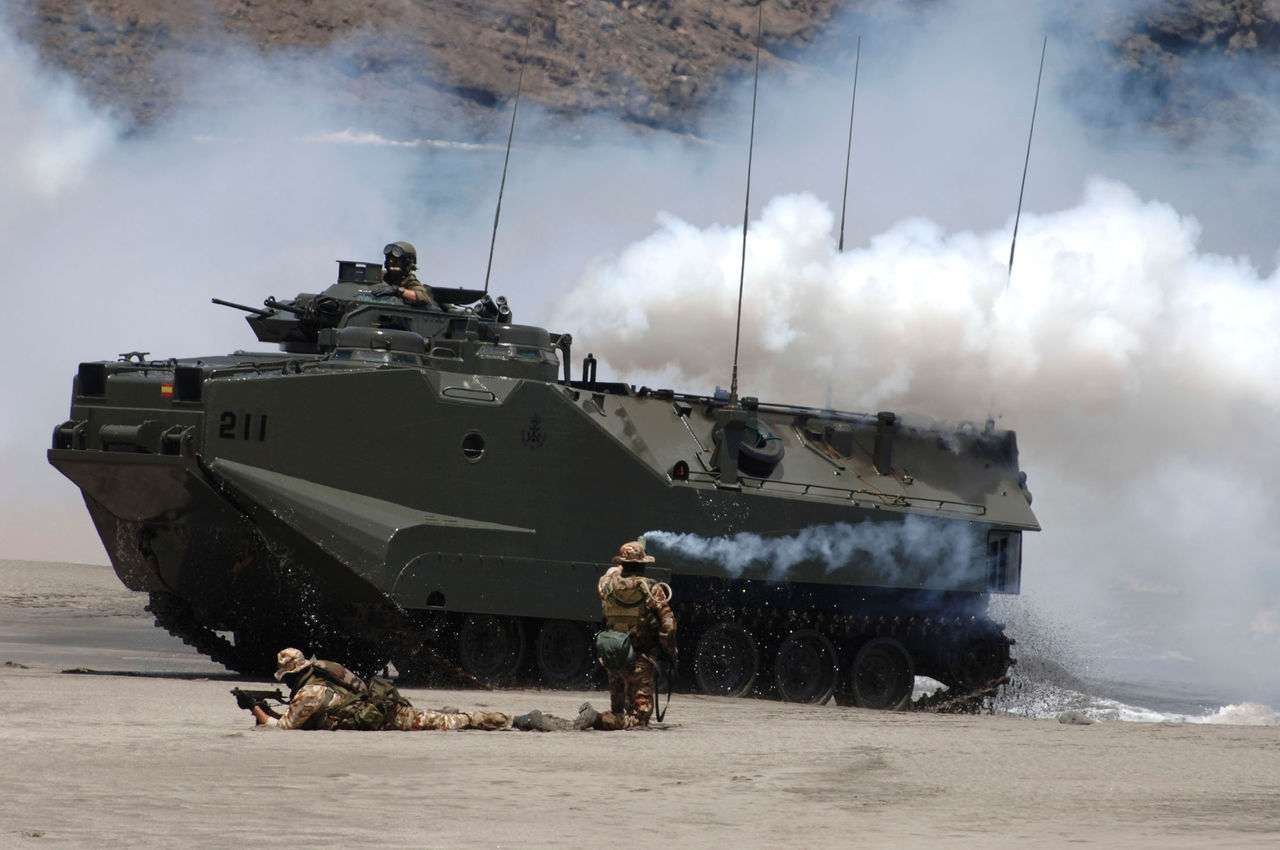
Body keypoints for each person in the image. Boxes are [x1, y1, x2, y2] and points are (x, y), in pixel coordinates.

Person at [250, 648, 571, 731]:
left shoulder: (307, 693)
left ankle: (515, 720)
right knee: (440, 718)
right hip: (379, 710)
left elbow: (286, 727)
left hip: (384, 719)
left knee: (453, 722)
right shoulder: (322, 672)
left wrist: (258, 712)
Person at [577, 539, 677, 730]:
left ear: (623, 563)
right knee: (639, 719)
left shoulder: (608, 585)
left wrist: (621, 567)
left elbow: (608, 576)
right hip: (639, 662)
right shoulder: (651, 589)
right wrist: (669, 651)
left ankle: (606, 718)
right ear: (643, 565)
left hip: (614, 658)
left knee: (618, 712)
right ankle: (597, 718)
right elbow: (669, 625)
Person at [379, 241, 438, 309]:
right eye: (390, 259)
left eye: (396, 260)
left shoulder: (410, 281)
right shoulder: (383, 275)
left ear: (407, 263)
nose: (391, 262)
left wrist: (396, 290)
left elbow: (423, 297)